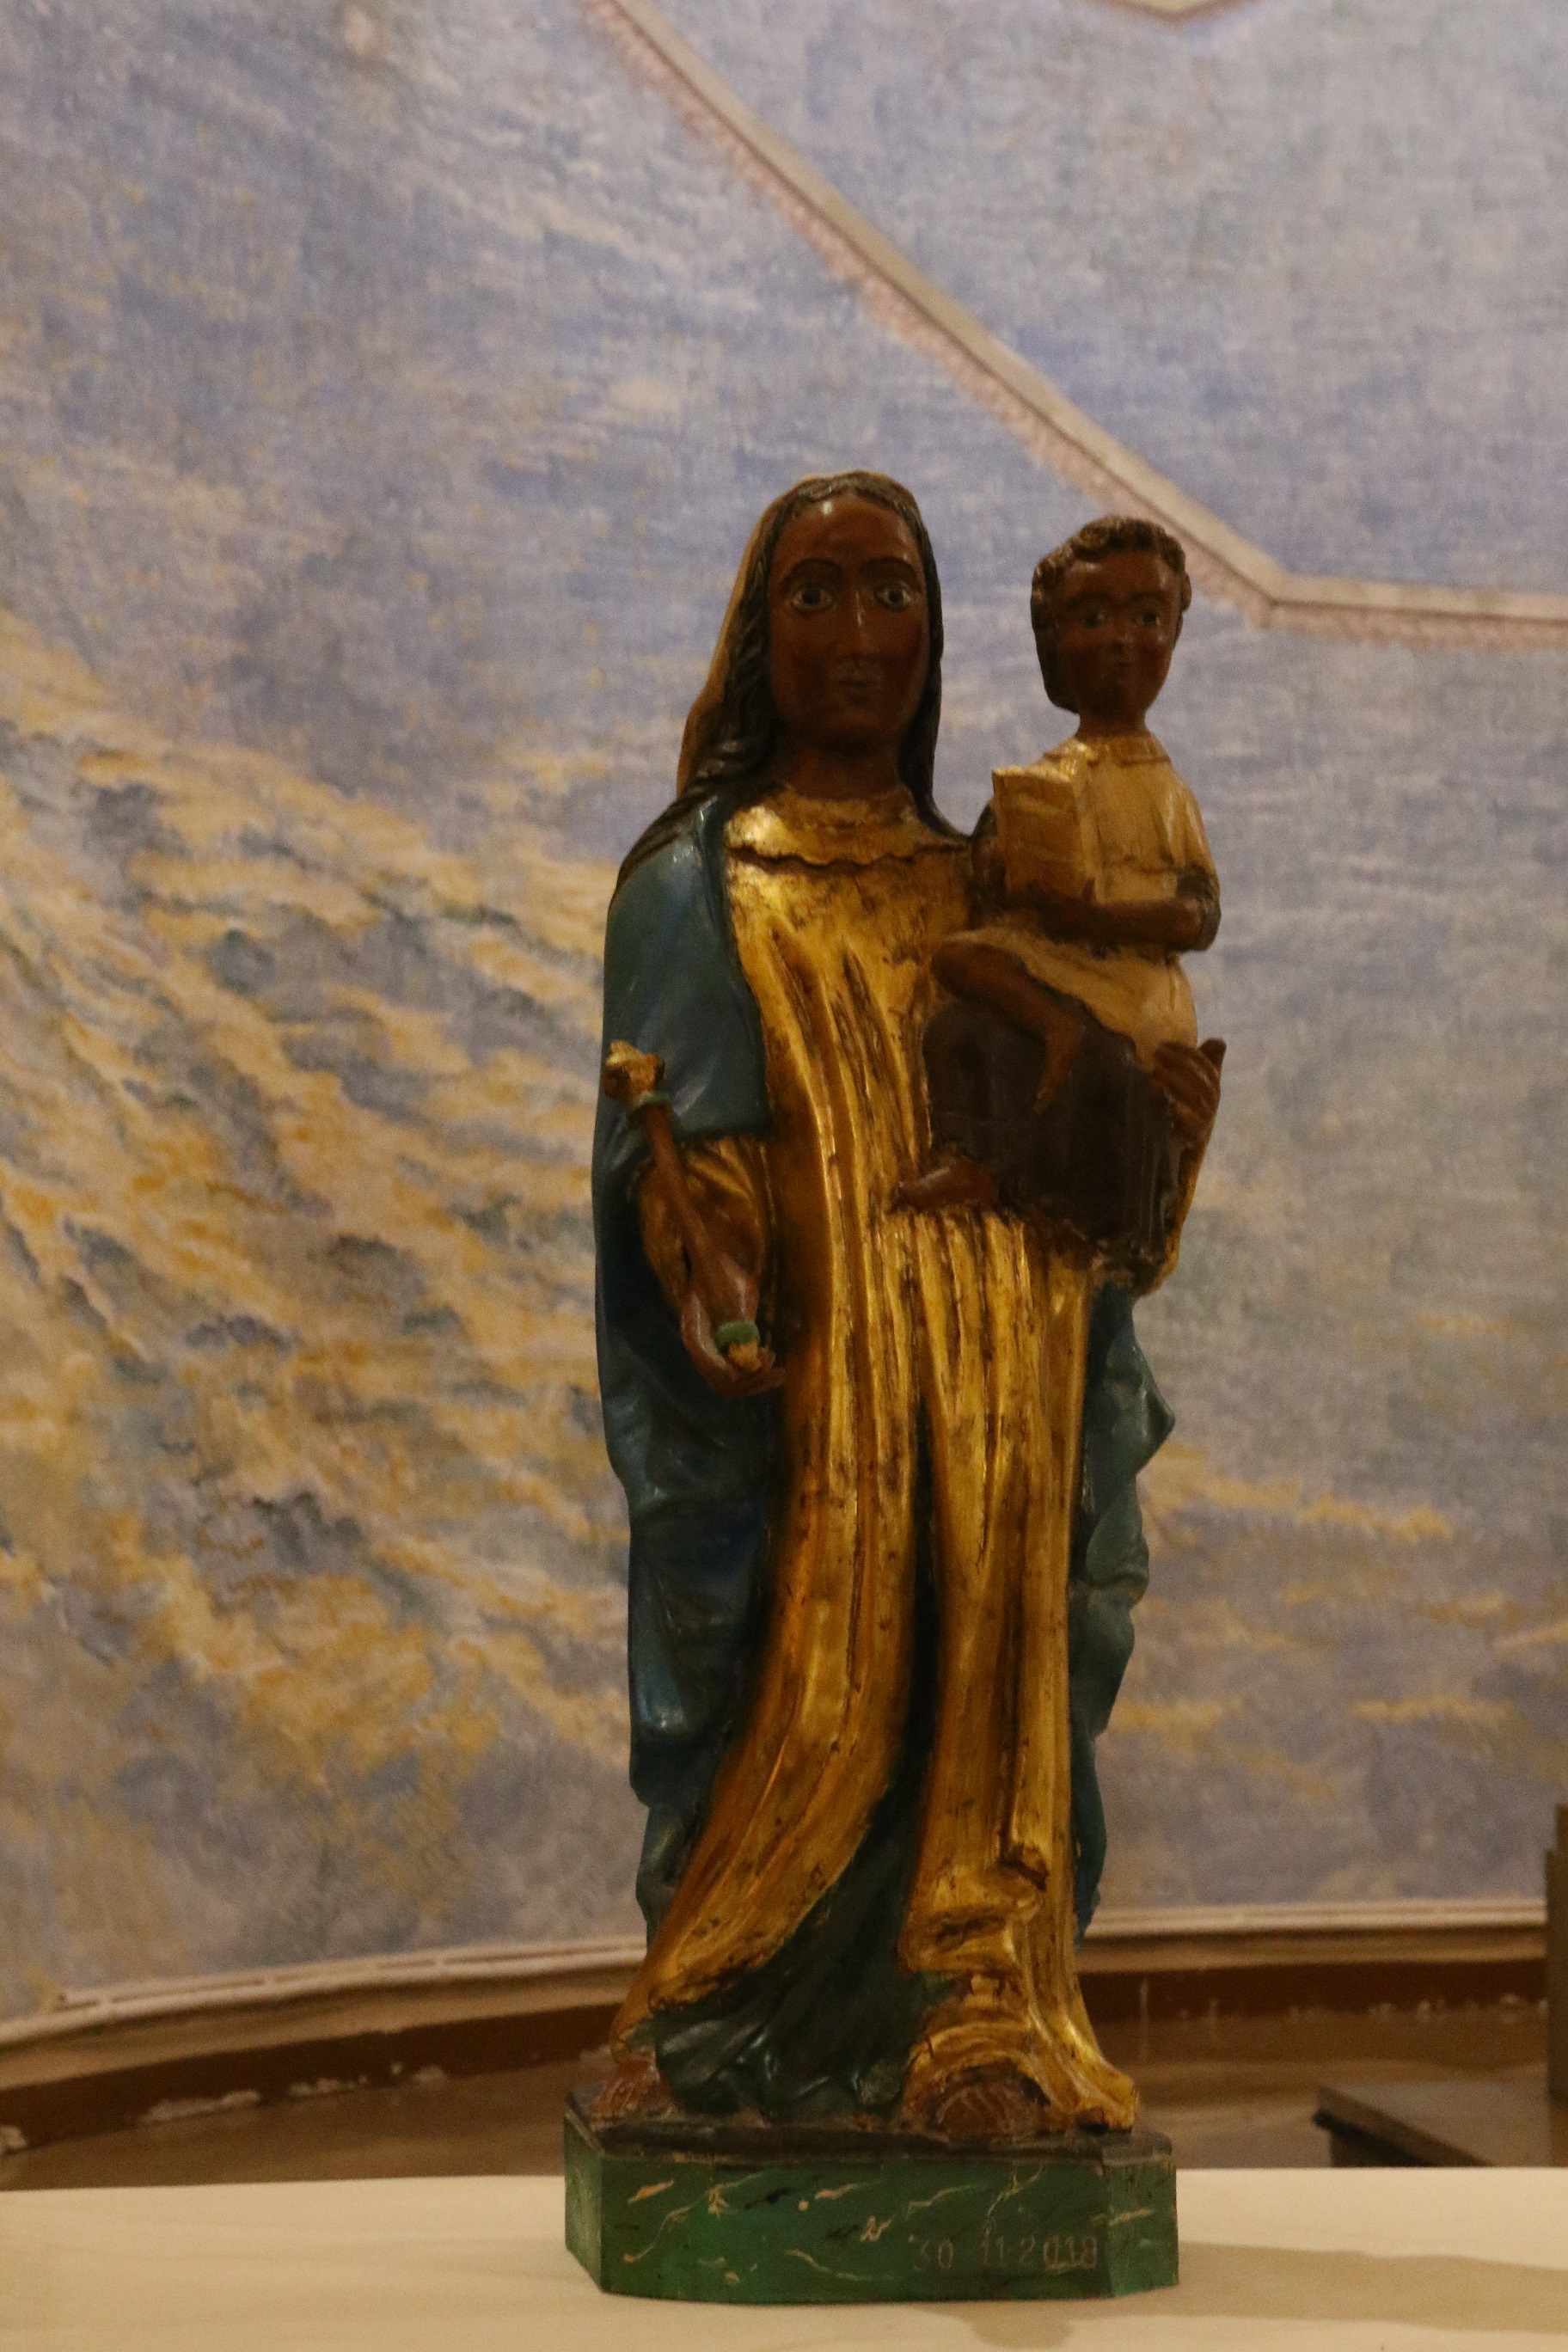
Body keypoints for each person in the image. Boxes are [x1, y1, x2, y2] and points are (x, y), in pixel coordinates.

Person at [591, 475, 1211, 2138]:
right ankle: (725, 2010)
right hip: (834, 1383)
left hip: (1007, 1354)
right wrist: (706, 1253)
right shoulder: (696, 879)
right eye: (815, 594)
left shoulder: (989, 881)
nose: (856, 632)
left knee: (993, 1673)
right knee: (818, 1687)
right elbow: (675, 1148)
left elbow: (1082, 1158)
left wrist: (1152, 1147)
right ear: (757, 630)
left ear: (934, 635)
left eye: (889, 593)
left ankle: (981, 2017)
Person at [908, 517, 1223, 1278]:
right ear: (1053, 643)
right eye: (1092, 618)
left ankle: (1098, 1220)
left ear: (1173, 636)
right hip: (1052, 970)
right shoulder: (1046, 780)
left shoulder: (1163, 790)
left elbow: (1199, 911)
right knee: (958, 1021)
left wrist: (1100, 916)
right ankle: (984, 1149)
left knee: (1108, 1079)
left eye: (1145, 618)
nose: (1119, 640)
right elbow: (988, 876)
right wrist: (999, 865)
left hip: (1129, 985)